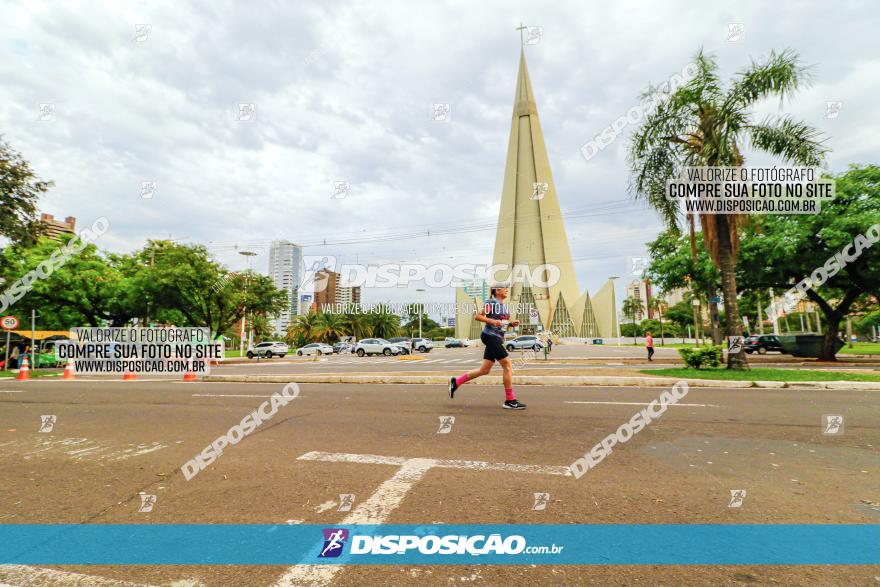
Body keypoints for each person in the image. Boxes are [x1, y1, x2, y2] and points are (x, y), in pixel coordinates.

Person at [448, 283, 526, 409]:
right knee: (507, 365)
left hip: (496, 338)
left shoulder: (501, 305)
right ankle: (510, 400)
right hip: (491, 336)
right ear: (496, 290)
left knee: (484, 370)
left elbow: (501, 323)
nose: (507, 290)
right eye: (504, 288)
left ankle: (456, 382)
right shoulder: (492, 302)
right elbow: (478, 316)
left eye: (507, 288)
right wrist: (492, 321)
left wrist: (511, 324)